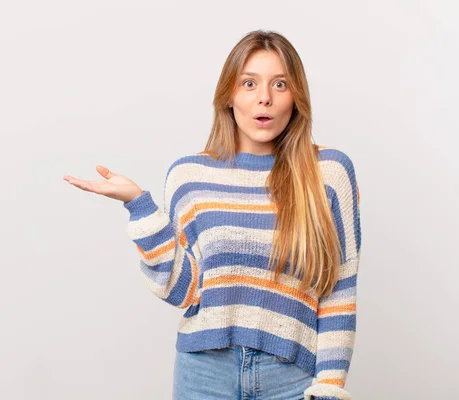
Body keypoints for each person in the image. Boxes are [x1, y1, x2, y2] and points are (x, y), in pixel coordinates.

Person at [63, 29, 361, 400]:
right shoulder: (189, 176)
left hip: (291, 378)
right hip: (203, 373)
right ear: (229, 95)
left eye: (280, 84)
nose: (264, 98)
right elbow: (185, 290)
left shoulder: (328, 172)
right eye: (249, 83)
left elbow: (338, 289)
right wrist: (139, 205)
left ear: (296, 97)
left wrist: (330, 385)